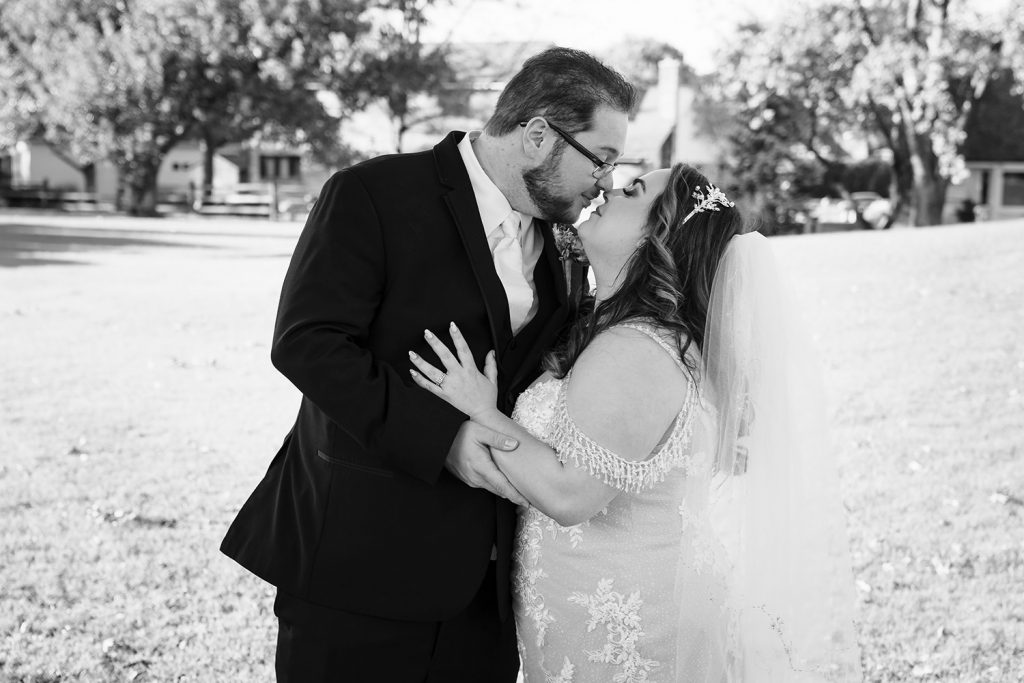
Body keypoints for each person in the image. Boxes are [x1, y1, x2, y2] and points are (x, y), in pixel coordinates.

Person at [219, 47, 636, 682]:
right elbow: (308, 342)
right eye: (601, 159)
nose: (604, 182)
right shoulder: (372, 193)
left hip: (485, 592)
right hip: (360, 568)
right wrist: (444, 439)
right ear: (536, 136)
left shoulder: (563, 238)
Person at [411, 164, 863, 681]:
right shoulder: (633, 333)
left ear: (658, 236)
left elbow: (570, 495)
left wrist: (484, 411)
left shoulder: (635, 349)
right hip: (597, 602)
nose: (606, 186)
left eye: (632, 190)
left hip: (629, 623)